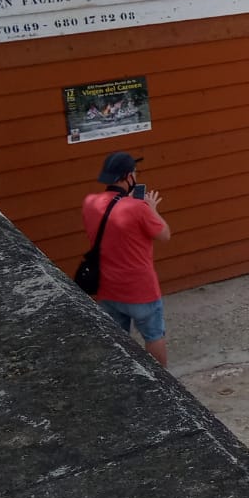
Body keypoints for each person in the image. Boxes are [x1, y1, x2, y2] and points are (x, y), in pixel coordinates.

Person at [82, 152, 172, 368]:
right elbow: (164, 235)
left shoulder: (90, 203)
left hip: (107, 287)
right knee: (153, 335)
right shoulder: (137, 208)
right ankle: (163, 384)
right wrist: (151, 209)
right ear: (127, 177)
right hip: (140, 289)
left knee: (118, 341)